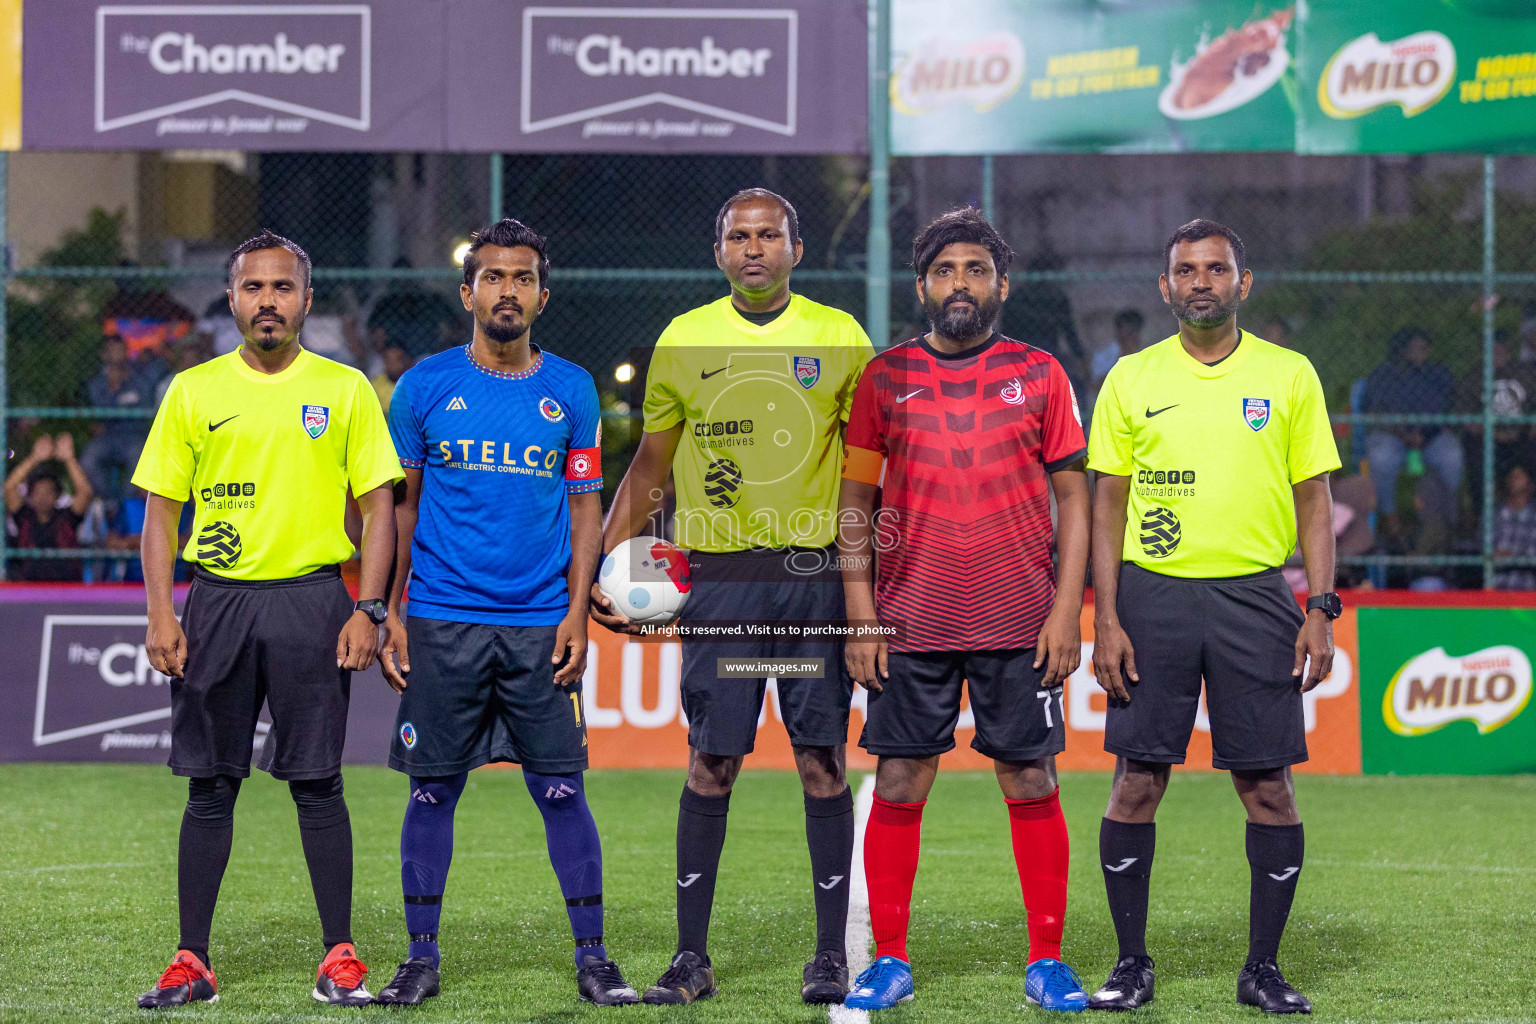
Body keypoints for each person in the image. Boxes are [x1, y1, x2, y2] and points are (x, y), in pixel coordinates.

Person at [592, 188, 873, 1006]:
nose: (754, 249)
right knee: (712, 760)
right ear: (719, 252)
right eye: (739, 236)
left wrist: (865, 597)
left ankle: (828, 956)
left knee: (821, 759)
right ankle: (690, 958)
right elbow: (648, 467)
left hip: (811, 577)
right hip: (717, 582)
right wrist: (609, 566)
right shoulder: (684, 339)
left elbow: (863, 478)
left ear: (795, 247)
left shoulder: (839, 337)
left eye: (769, 235)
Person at [132, 230, 403, 1009]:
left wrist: (368, 607)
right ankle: (193, 962)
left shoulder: (346, 388)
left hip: (315, 601)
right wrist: (160, 611)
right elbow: (161, 512)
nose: (269, 302)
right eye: (254, 288)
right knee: (209, 787)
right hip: (215, 601)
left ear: (307, 300)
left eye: (283, 288)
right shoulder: (192, 391)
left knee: (318, 784)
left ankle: (339, 959)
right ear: (232, 297)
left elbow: (379, 508)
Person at [371, 219, 638, 1007]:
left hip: (538, 623)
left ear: (542, 296)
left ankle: (593, 959)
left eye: (522, 278)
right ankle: (421, 958)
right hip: (443, 621)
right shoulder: (423, 386)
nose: (507, 291)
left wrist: (576, 614)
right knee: (430, 792)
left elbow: (586, 507)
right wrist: (387, 610)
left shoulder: (573, 389)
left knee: (562, 793)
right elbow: (401, 510)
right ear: (468, 292)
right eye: (493, 277)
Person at [838, 208, 1092, 1013]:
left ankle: (1047, 959)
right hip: (910, 621)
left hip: (1020, 619)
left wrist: (1066, 611)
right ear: (922, 287)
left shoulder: (1043, 374)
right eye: (945, 271)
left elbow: (1075, 502)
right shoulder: (883, 379)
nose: (960, 284)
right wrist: (858, 611)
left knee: (1029, 777)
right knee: (902, 779)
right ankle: (890, 958)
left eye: (975, 270)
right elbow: (854, 503)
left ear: (1001, 285)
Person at [1087, 219, 1340, 1015]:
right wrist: (1106, 616)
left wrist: (1321, 607)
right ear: (1165, 288)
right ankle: (1132, 964)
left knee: (1269, 791)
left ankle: (1261, 969)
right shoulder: (1130, 378)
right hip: (1151, 597)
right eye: (1186, 271)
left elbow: (1314, 495)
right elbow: (1106, 506)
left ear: (1243, 281)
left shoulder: (1290, 375)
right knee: (1137, 785)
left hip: (1257, 600)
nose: (1201, 281)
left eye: (1216, 268)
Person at [1362, 327, 1461, 541]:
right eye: (1413, 348)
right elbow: (1374, 413)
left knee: (1451, 456)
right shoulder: (1384, 375)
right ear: (1401, 350)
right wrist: (1403, 434)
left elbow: (1447, 412)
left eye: (1424, 348)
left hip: (1430, 437)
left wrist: (1424, 434)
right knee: (1381, 458)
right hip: (1393, 437)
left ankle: (1447, 521)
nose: (1419, 352)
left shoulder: (1438, 374)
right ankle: (1390, 519)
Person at [1456, 334, 1536, 520]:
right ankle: (1482, 520)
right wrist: (1495, 433)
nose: (1497, 355)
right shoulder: (1473, 377)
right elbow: (1467, 419)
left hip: (1523, 437)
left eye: (1501, 351)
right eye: (1492, 352)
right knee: (1477, 459)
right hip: (1489, 438)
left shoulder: (1525, 373)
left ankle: (1530, 518)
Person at [4, 433, 94, 581]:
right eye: (37, 492)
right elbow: (9, 488)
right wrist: (35, 457)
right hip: (29, 590)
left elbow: (85, 492)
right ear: (30, 496)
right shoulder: (24, 517)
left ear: (57, 495)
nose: (42, 497)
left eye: (48, 492)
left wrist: (69, 459)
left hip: (67, 590)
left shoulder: (67, 518)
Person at [80, 334, 156, 506]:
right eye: (111, 350)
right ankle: (108, 502)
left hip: (133, 436)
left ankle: (124, 504)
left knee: (138, 458)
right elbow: (98, 413)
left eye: (120, 350)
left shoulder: (138, 378)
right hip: (107, 436)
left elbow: (144, 403)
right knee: (88, 459)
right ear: (104, 354)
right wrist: (113, 390)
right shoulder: (97, 383)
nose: (116, 354)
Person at [1492, 465, 1536, 590]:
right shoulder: (1494, 515)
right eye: (1511, 476)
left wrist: (1511, 556)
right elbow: (1480, 550)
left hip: (1529, 592)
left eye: (1519, 475)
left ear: (1530, 484)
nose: (1514, 478)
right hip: (1495, 591)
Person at [1092, 309, 1146, 386]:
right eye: (1127, 332)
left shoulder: (1147, 354)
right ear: (1118, 330)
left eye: (1133, 331)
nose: (1129, 336)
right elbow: (1097, 385)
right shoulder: (1102, 356)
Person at [371, 344, 411, 409]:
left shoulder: (414, 385)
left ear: (405, 360)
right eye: (390, 361)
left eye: (397, 360)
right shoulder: (375, 386)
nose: (393, 365)